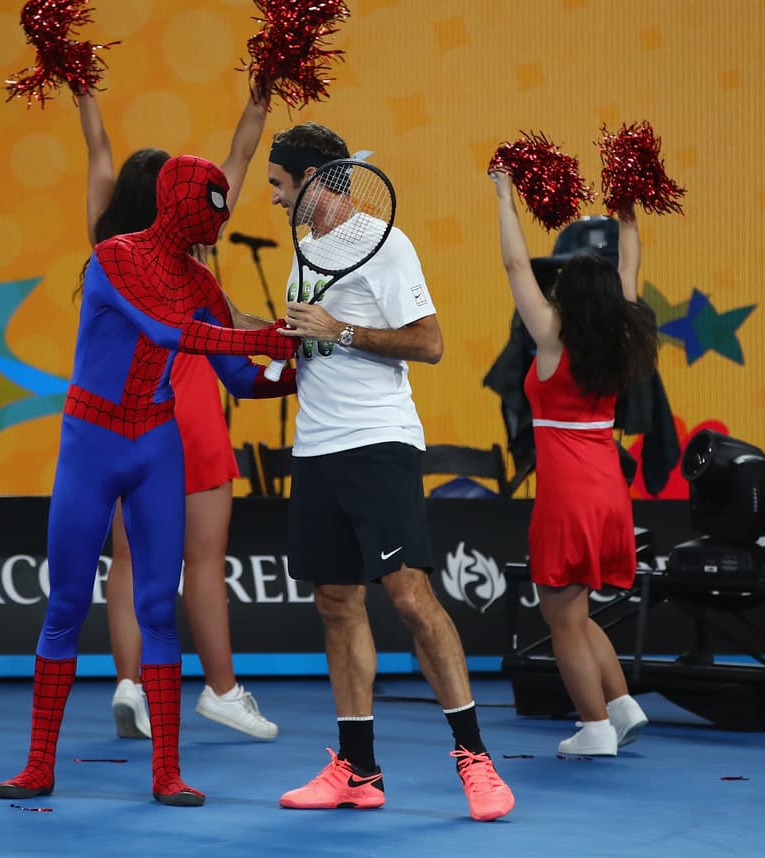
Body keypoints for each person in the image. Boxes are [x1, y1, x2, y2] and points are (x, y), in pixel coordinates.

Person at [0, 155, 297, 807]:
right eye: (213, 205)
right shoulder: (114, 258)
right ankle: (38, 763)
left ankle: (167, 772)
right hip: (91, 441)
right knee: (67, 604)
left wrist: (306, 371)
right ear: (181, 204)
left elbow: (241, 381)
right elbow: (166, 329)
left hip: (155, 440)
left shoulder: (201, 281)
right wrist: (266, 339)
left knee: (159, 608)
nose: (220, 219)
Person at [266, 122, 515, 822]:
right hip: (316, 450)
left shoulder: (386, 243)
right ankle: (357, 771)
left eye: (281, 185)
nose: (274, 200)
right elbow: (314, 351)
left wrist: (338, 330)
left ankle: (475, 758)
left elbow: (429, 343)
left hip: (379, 445)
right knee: (336, 605)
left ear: (315, 180)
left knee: (409, 598)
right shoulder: (306, 251)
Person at [76, 89, 280, 741]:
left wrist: (83, 92)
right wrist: (259, 95)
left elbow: (98, 152)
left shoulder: (107, 247)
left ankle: (129, 686)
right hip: (188, 411)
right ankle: (221, 692)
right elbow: (239, 157)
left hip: (123, 417)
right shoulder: (191, 260)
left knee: (129, 561)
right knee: (204, 563)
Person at [488, 168, 656, 756]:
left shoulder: (553, 338)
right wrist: (628, 216)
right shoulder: (624, 333)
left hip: (567, 496)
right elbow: (630, 270)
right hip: (610, 489)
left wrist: (505, 197)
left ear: (569, 298)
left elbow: (515, 267)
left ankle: (594, 729)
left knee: (560, 615)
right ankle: (620, 704)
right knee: (578, 610)